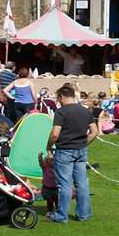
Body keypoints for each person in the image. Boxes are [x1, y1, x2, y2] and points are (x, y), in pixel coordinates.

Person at [47, 83, 94, 223]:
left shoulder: (61, 112)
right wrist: (84, 143)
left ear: (62, 96)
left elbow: (55, 134)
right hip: (81, 151)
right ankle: (83, 214)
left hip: (65, 151)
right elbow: (94, 132)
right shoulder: (86, 111)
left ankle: (62, 215)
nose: (58, 101)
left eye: (58, 98)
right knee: (82, 184)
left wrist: (48, 146)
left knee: (64, 184)